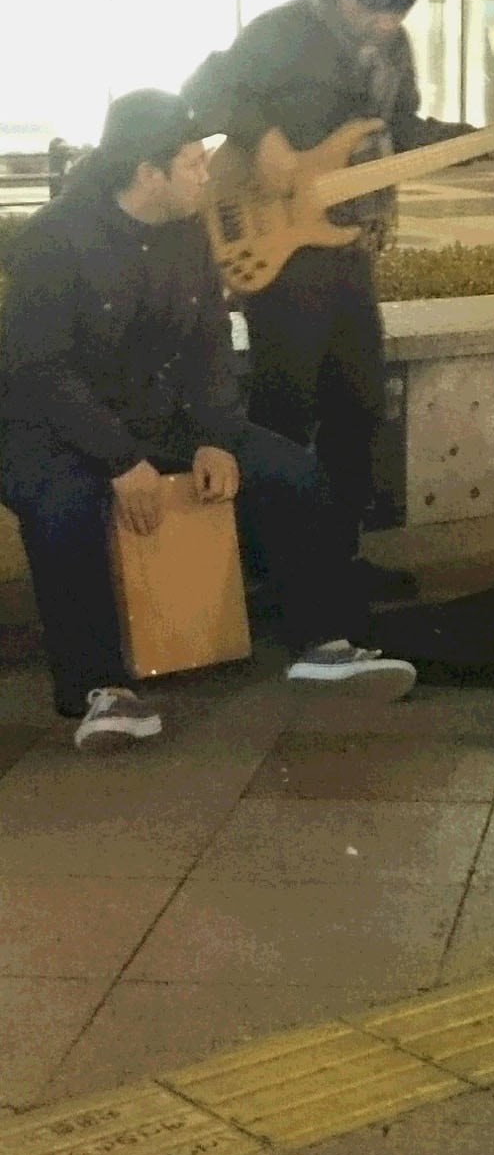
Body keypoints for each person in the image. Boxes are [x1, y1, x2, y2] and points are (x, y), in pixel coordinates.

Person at [0, 91, 416, 749]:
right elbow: (41, 372)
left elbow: (207, 347)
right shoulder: (54, 241)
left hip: (156, 418)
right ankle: (101, 692)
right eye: (193, 163)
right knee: (65, 509)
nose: (206, 175)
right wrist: (119, 460)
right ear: (147, 173)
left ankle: (320, 643)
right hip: (51, 430)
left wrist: (215, 437)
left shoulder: (188, 231)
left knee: (292, 472)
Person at [183, 0, 473, 604]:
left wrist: (472, 141)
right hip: (280, 252)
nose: (384, 22)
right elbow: (204, 91)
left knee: (360, 406)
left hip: (347, 247)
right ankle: (266, 568)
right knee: (284, 408)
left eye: (397, 9)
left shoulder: (393, 50)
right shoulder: (281, 34)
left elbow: (397, 129)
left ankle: (338, 560)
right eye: (373, 5)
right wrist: (265, 139)